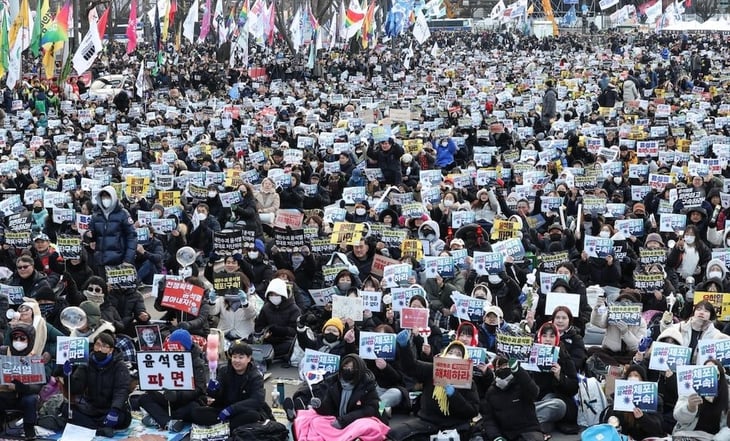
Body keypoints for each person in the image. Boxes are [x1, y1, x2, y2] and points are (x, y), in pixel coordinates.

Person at [388, 339, 480, 441]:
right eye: (450, 352)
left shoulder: (468, 382)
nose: (453, 356)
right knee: (395, 434)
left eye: (458, 354)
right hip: (428, 423)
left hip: (455, 427)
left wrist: (454, 395)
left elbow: (472, 411)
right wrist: (404, 347)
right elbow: (411, 367)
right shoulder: (433, 370)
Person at [293, 354, 389, 441]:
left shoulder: (367, 386)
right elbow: (328, 409)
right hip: (338, 419)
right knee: (316, 422)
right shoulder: (334, 383)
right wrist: (319, 406)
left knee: (368, 425)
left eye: (351, 368)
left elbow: (369, 410)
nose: (347, 370)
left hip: (357, 420)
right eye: (345, 367)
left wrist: (344, 420)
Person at [63, 332, 132, 437]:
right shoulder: (86, 363)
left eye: (104, 346)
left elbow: (122, 390)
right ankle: (98, 430)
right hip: (90, 408)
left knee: (122, 418)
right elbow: (76, 388)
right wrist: (67, 375)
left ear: (111, 350)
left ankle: (91, 427)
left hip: (109, 409)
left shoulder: (119, 366)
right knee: (66, 410)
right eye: (98, 345)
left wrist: (115, 409)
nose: (100, 349)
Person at [139, 329, 208, 432]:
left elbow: (199, 389)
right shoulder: (164, 358)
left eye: (178, 347)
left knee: (194, 408)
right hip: (167, 400)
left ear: (186, 346)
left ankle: (158, 418)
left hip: (186, 401)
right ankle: (167, 422)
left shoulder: (197, 363)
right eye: (171, 346)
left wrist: (177, 395)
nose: (174, 349)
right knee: (144, 398)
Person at [194, 340, 271, 429]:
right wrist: (212, 390)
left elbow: (257, 400)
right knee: (197, 412)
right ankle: (226, 425)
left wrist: (232, 409)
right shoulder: (224, 371)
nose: (237, 361)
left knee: (253, 416)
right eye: (234, 357)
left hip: (242, 410)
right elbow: (218, 396)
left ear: (249, 358)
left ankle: (224, 426)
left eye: (241, 357)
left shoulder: (255, 376)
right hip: (224, 408)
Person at [473, 356, 543, 441]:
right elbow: (489, 419)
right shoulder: (491, 392)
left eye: (506, 365)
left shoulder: (521, 383)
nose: (504, 368)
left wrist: (519, 371)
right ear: (495, 370)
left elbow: (534, 392)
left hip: (528, 431)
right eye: (500, 366)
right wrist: (496, 437)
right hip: (506, 433)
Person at [0, 324, 42, 439]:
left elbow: (37, 387)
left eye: (22, 339)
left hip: (23, 397)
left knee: (31, 398)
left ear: (30, 340)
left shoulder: (34, 358)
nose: (18, 341)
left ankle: (29, 429)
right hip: (4, 395)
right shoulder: (2, 352)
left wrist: (19, 387)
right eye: (16, 338)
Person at [601, 365, 665, 440]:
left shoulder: (653, 400)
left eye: (636, 375)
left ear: (642, 379)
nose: (633, 378)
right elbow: (612, 422)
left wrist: (642, 418)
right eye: (630, 375)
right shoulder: (619, 398)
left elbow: (656, 428)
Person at [673, 359, 730, 439]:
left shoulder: (727, 394)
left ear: (720, 376)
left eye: (714, 374)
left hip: (714, 437)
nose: (710, 378)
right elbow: (678, 416)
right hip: (688, 435)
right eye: (706, 372)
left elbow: (728, 428)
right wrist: (690, 408)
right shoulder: (690, 390)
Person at [86, 185, 137, 273]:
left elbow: (132, 237)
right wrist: (87, 235)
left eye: (108, 196)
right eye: (103, 197)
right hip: (100, 261)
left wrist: (128, 259)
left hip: (118, 262)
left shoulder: (123, 214)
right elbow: (90, 232)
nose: (105, 199)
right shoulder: (96, 215)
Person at [254, 278, 301, 361]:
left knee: (290, 346)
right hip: (268, 340)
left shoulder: (293, 309)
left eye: (276, 294)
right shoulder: (266, 308)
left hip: (285, 340)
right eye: (271, 294)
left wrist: (279, 330)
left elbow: (295, 330)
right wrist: (263, 333)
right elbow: (259, 325)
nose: (273, 297)